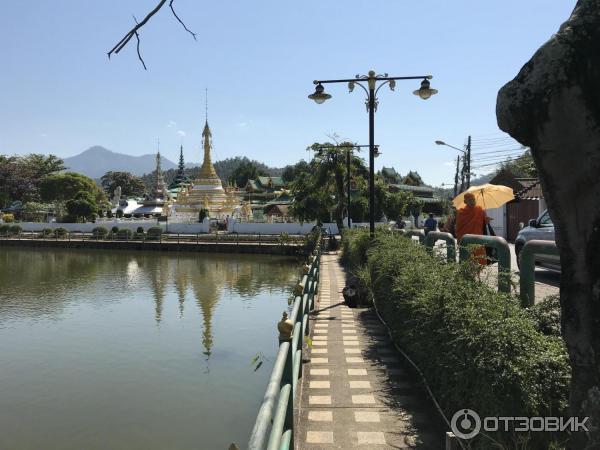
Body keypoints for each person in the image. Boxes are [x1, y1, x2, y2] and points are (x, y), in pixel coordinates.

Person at [456, 192, 490, 266]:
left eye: (473, 199)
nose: (472, 201)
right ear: (465, 202)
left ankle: (476, 276)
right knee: (467, 262)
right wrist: (459, 240)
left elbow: (484, 222)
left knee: (480, 262)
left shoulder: (480, 209)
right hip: (466, 241)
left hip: (478, 239)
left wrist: (486, 220)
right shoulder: (461, 212)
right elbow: (459, 227)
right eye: (470, 200)